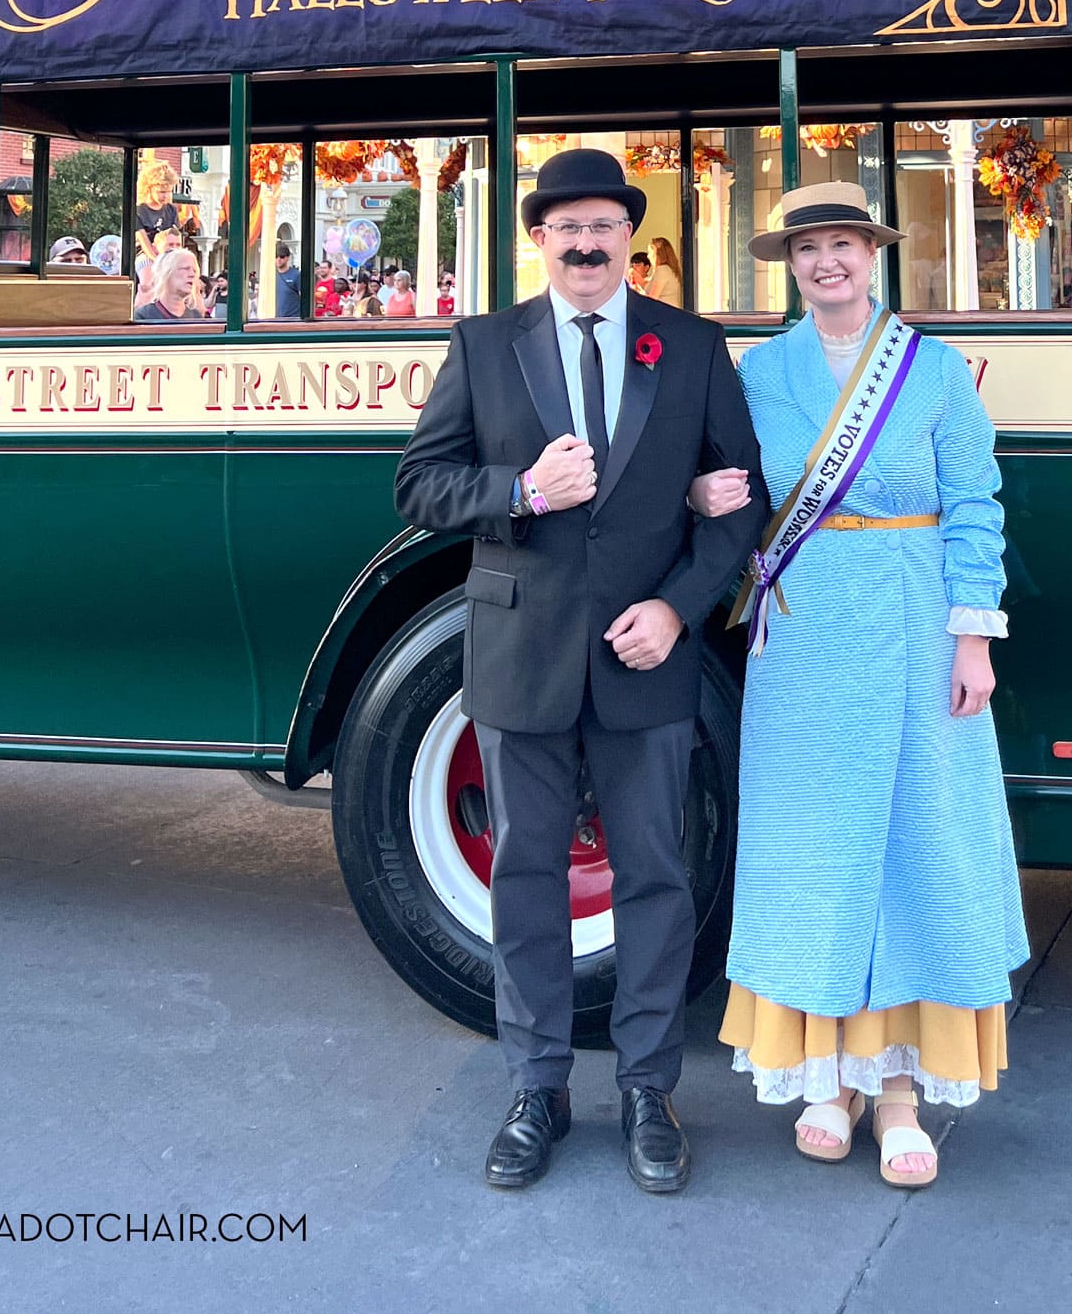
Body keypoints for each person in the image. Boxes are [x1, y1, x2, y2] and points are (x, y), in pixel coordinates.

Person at [396, 148, 766, 1195]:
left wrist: (677, 608)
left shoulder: (689, 347)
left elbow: (735, 501)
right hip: (522, 656)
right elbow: (419, 485)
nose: (586, 243)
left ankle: (648, 1089)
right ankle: (536, 1087)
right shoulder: (482, 343)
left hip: (644, 659)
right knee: (523, 875)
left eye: (603, 226)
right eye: (567, 228)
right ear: (541, 240)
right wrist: (523, 488)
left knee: (655, 874)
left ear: (627, 239)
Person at [690, 180, 1028, 1187]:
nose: (824, 262)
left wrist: (972, 638)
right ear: (788, 264)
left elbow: (974, 502)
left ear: (870, 254)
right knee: (816, 847)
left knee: (913, 843)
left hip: (917, 629)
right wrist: (703, 495)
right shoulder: (759, 373)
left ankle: (897, 1093)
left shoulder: (927, 372)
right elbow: (732, 488)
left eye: (840, 244)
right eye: (807, 249)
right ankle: (823, 1081)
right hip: (801, 641)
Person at [134, 247, 204, 321]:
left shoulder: (196, 317)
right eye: (186, 268)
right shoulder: (143, 316)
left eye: (194, 271)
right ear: (166, 273)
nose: (192, 274)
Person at [646, 234, 684, 307]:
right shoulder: (669, 269)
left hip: (662, 314)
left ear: (657, 254)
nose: (648, 256)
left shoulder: (662, 270)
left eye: (650, 252)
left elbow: (652, 299)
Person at [275, 242, 301, 320]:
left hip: (293, 318)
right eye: (276, 256)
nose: (278, 259)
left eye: (282, 257)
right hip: (274, 318)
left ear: (288, 257)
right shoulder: (270, 276)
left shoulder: (296, 275)